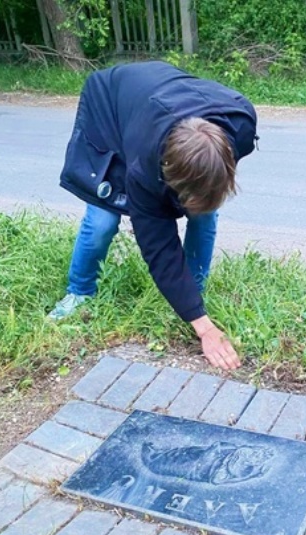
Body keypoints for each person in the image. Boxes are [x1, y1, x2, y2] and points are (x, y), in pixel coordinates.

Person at [50, 61, 257, 370]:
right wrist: (205, 329)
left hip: (162, 94)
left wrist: (194, 309)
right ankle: (79, 291)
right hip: (110, 103)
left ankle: (194, 290)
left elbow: (207, 182)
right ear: (166, 173)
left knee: (204, 214)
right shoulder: (143, 167)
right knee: (102, 221)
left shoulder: (239, 127)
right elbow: (160, 249)